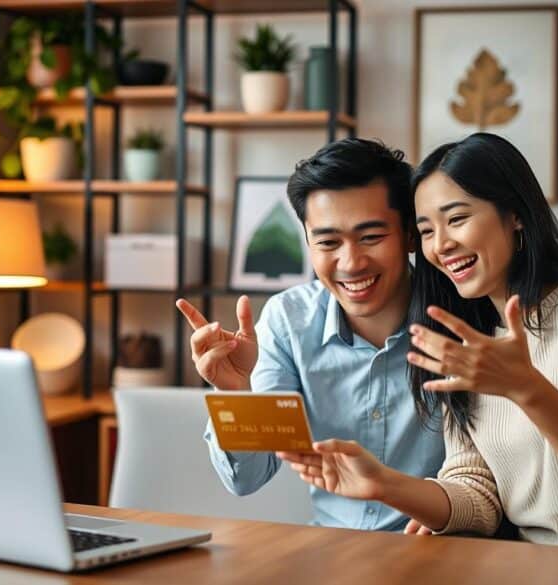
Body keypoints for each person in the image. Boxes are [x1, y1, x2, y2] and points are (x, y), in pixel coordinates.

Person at [277, 133, 558, 584]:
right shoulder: (467, 339)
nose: (440, 245)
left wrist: (528, 390)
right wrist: (383, 484)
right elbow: (478, 496)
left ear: (516, 215)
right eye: (426, 230)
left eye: (457, 218)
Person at [175, 138, 445, 531]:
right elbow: (247, 480)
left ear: (409, 235)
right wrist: (235, 393)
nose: (350, 263)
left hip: (443, 549)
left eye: (371, 237)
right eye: (328, 242)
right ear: (307, 242)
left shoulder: (461, 315)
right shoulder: (288, 321)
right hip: (333, 554)